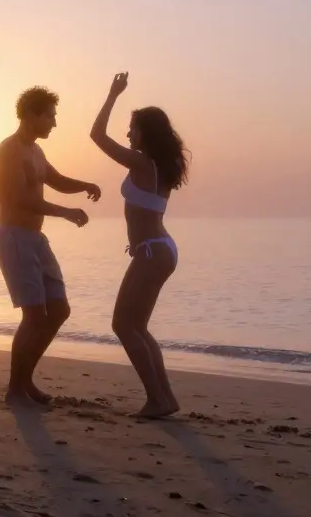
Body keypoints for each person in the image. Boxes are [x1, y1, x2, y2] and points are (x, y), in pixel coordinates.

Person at [0, 86, 101, 408]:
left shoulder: (36, 152)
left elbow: (55, 180)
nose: (54, 123)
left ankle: (26, 378)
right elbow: (19, 198)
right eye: (50, 116)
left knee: (58, 310)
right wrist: (65, 212)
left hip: (36, 240)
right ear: (31, 114)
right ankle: (15, 388)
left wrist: (85, 185)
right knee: (33, 315)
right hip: (14, 238)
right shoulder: (9, 150)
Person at [90, 72, 189, 418]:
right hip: (159, 249)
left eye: (133, 128)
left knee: (123, 325)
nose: (128, 134)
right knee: (137, 327)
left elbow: (96, 135)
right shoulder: (160, 164)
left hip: (152, 251)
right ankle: (165, 398)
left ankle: (158, 399)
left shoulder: (143, 163)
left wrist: (113, 94)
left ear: (146, 132)